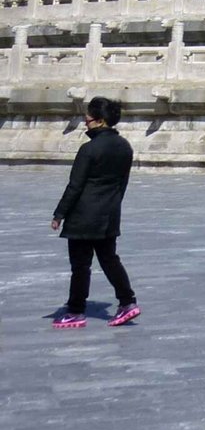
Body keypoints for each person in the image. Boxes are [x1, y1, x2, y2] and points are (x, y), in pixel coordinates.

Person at [50, 96, 140, 328]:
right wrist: (112, 206)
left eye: (88, 119)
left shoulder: (89, 149)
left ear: (100, 121)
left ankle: (76, 310)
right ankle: (128, 302)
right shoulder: (125, 147)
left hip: (84, 215)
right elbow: (123, 184)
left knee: (81, 265)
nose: (85, 122)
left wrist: (60, 213)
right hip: (108, 213)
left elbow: (75, 185)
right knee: (110, 259)